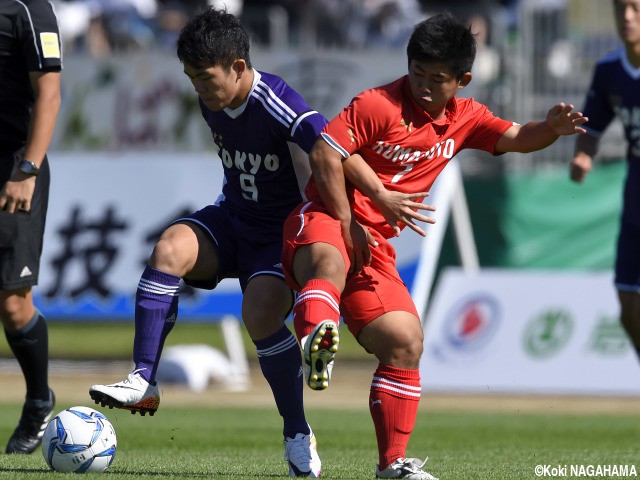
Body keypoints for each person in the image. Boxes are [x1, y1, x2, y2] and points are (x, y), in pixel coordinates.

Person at [281, 12, 587, 480]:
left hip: (376, 248)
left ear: (462, 80)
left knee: (406, 343)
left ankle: (392, 465)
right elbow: (325, 152)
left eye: (436, 78)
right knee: (330, 259)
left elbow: (518, 138)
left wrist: (551, 129)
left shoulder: (467, 118)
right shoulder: (377, 103)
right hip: (327, 218)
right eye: (416, 72)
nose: (423, 85)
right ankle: (315, 338)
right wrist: (347, 220)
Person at [88, 7, 327, 477]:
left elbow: (328, 147)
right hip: (233, 217)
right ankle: (143, 379)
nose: (198, 87)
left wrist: (357, 206)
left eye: (204, 77)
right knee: (169, 250)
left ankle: (297, 431)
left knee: (258, 316)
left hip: (278, 236)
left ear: (238, 66)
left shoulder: (277, 100)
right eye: (191, 77)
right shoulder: (212, 99)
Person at [0, 0, 62, 455]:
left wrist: (27, 167)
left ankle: (39, 399)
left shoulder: (28, 8)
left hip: (14, 168)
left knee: (14, 304)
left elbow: (49, 93)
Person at [570, 0, 640, 361]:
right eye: (620, 9)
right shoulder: (609, 71)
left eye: (635, 8)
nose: (626, 17)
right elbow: (592, 125)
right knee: (628, 306)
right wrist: (584, 153)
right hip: (636, 193)